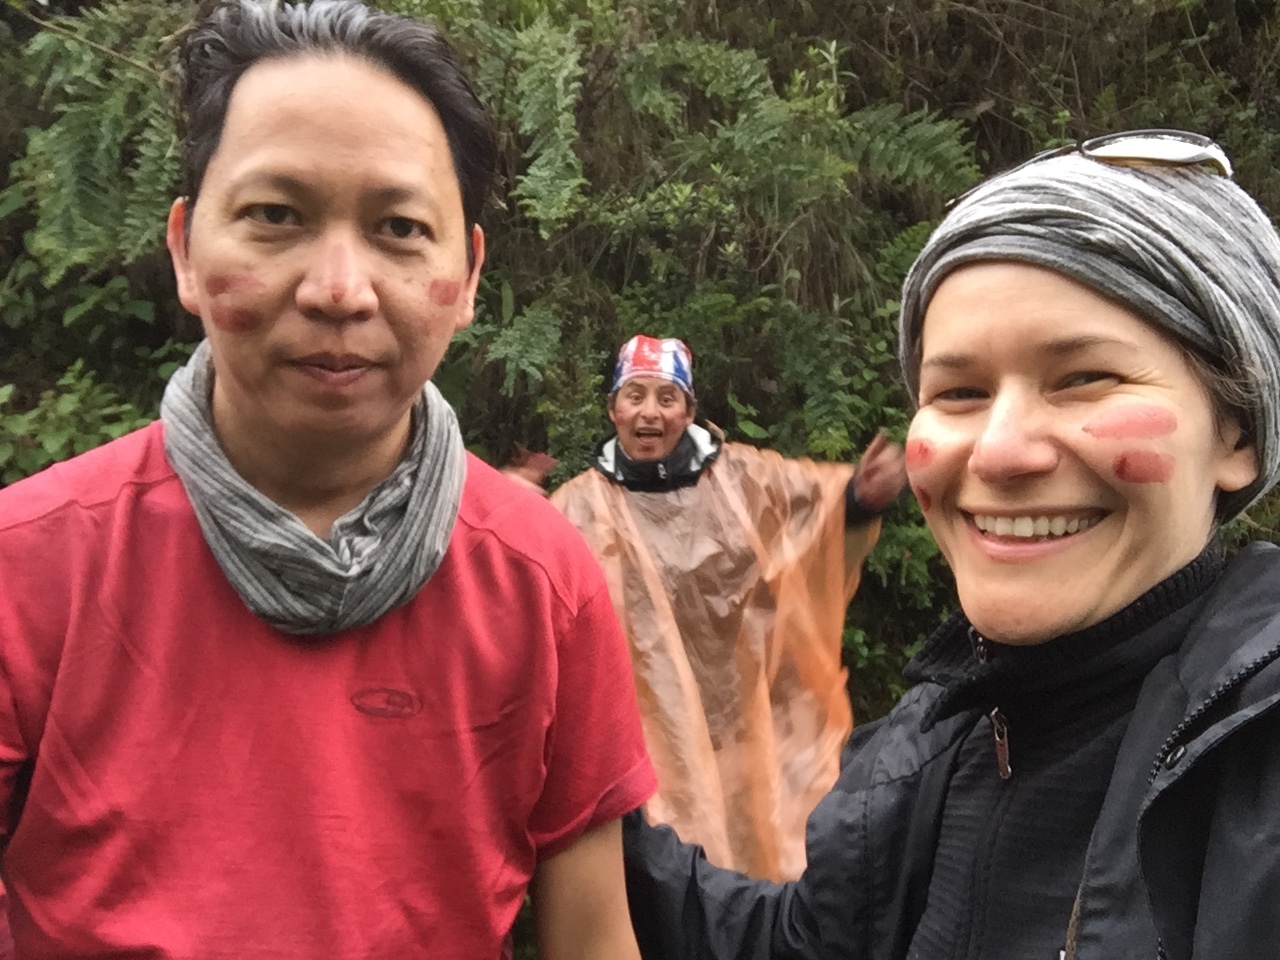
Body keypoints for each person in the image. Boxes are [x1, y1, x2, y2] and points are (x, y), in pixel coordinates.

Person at [0, 1, 655, 956]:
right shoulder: (30, 566)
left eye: (398, 227)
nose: (338, 288)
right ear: (185, 248)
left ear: (468, 275)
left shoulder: (544, 583)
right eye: (275, 216)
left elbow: (593, 940)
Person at [622, 129, 1280, 960]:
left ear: (1237, 436)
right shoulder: (936, 747)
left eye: (1084, 378)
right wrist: (581, 803)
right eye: (959, 391)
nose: (999, 452)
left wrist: (850, 506)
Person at [550, 334, 906, 881]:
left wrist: (862, 496)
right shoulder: (577, 509)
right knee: (668, 879)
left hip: (750, 728)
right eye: (635, 395)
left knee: (762, 858)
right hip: (647, 746)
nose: (650, 413)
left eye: (667, 398)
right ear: (613, 407)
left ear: (689, 410)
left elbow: (816, 512)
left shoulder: (743, 482)